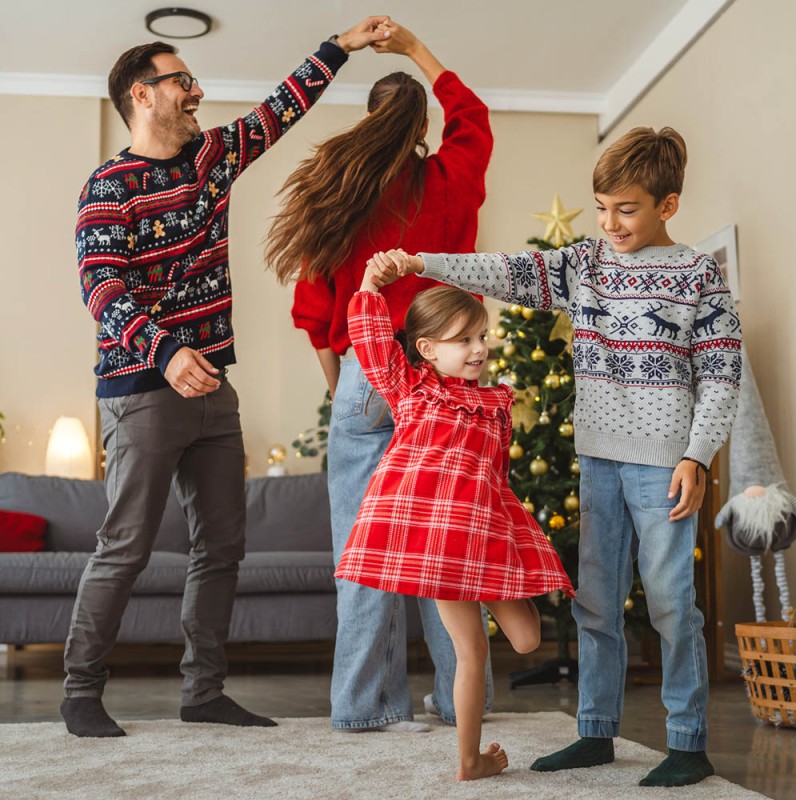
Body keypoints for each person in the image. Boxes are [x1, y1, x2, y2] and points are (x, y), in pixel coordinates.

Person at [368, 126, 742, 787]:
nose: (609, 222)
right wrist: (423, 262)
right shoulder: (586, 265)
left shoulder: (697, 275)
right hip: (597, 458)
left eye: (625, 209)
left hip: (665, 464)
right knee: (595, 604)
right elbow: (506, 271)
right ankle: (595, 732)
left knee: (670, 604)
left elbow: (720, 373)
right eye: (601, 207)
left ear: (667, 205)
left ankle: (687, 741)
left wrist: (698, 456)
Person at [64, 17, 392, 739]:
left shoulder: (212, 156)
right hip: (143, 392)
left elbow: (281, 107)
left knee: (223, 547)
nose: (198, 91)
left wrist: (340, 45)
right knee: (126, 547)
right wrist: (163, 351)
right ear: (143, 96)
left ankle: (203, 692)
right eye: (183, 81)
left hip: (215, 389)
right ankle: (81, 693)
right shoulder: (106, 188)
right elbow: (102, 291)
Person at [265, 22, 494, 733]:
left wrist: (349, 385)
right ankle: (460, 702)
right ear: (423, 125)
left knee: (363, 551)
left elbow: (313, 311)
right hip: (443, 378)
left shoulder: (340, 192)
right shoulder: (450, 178)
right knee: (443, 544)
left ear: (369, 122)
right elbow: (475, 117)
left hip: (367, 372)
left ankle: (365, 708)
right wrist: (418, 49)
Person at [336, 276, 574, 780]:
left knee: (529, 638)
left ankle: (472, 754)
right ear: (426, 349)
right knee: (472, 649)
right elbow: (372, 336)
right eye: (463, 339)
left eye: (482, 336)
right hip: (435, 545)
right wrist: (371, 284)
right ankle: (470, 761)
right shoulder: (410, 387)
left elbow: (497, 477)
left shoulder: (495, 405)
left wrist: (514, 543)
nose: (478, 349)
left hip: (480, 538)